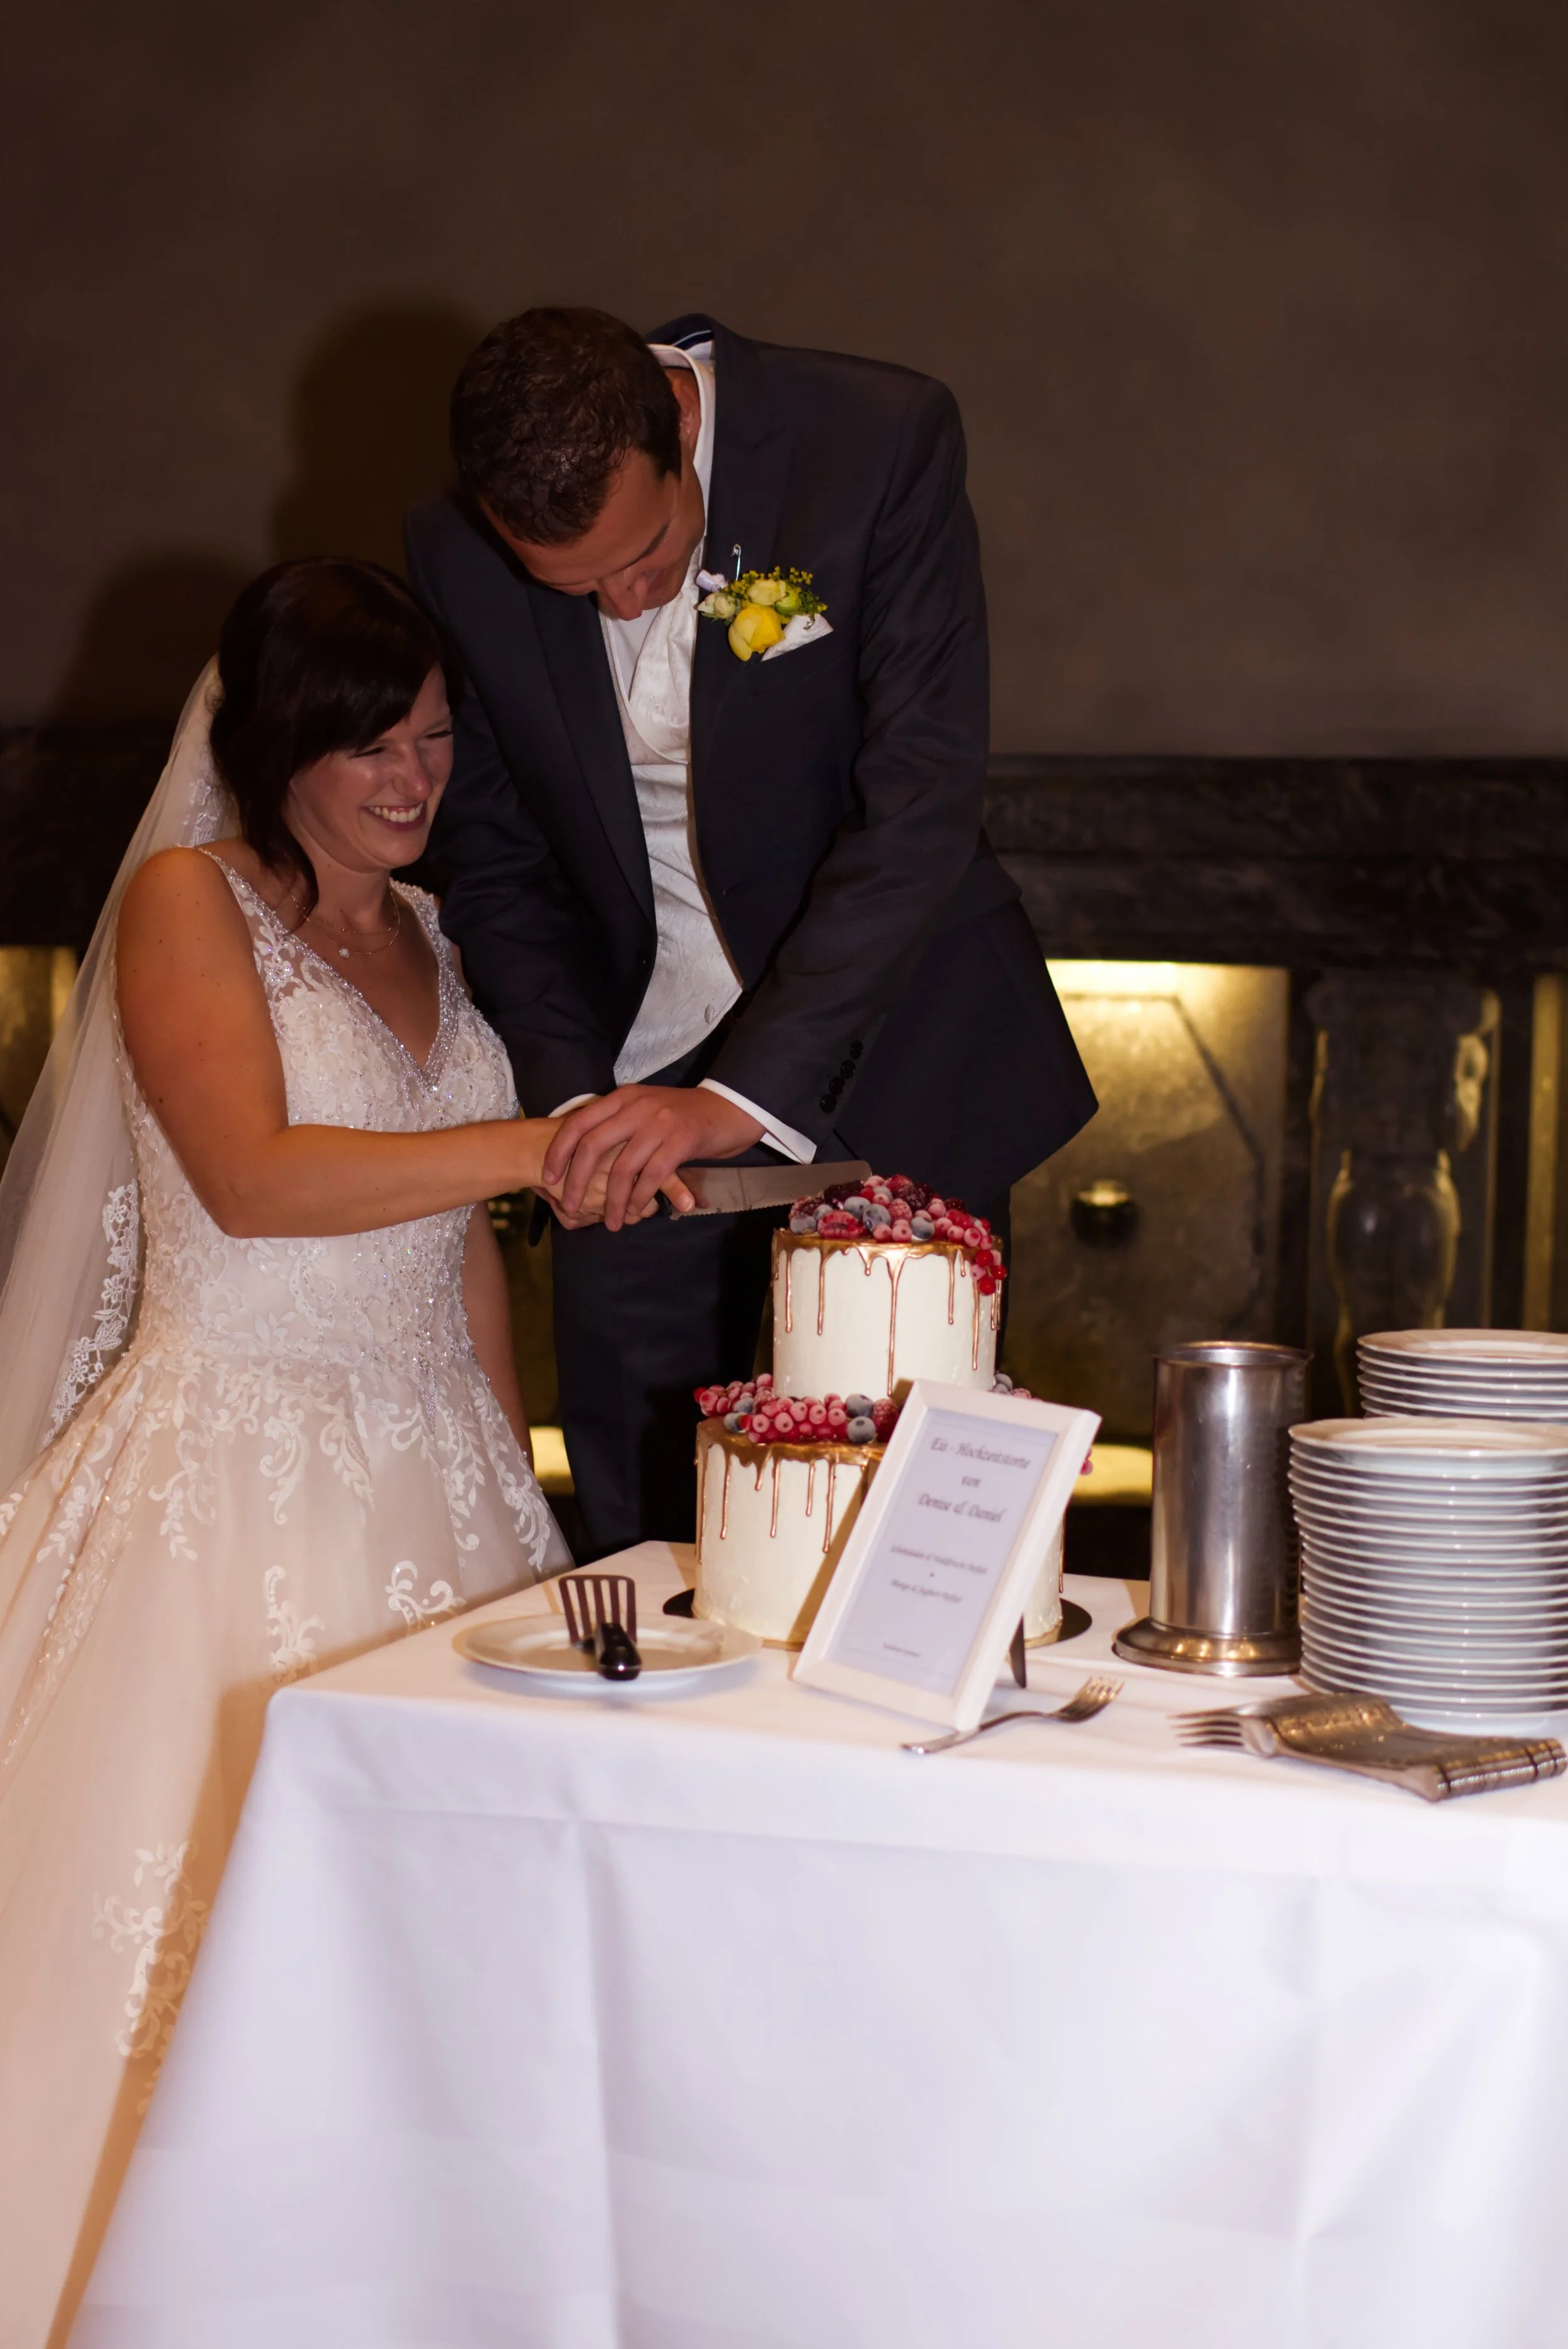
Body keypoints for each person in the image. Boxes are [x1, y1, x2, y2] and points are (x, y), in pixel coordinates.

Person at [0, 558, 647, 2349]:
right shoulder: (181, 904)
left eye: (435, 738)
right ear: (282, 739)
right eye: (371, 742)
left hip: (432, 1461)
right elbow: (258, 1180)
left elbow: (450, 1254)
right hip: (229, 1470)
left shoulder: (432, 938)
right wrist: (536, 1145)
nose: (410, 775)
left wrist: (520, 1486)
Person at [405, 306, 1098, 1557]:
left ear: (679, 426)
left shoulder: (872, 441)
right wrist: (570, 1108)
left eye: (650, 558)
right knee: (645, 1524)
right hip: (628, 1084)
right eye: (572, 590)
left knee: (902, 1539)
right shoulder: (449, 552)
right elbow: (498, 865)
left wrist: (740, 1093)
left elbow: (919, 809)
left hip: (897, 1056)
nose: (622, 608)